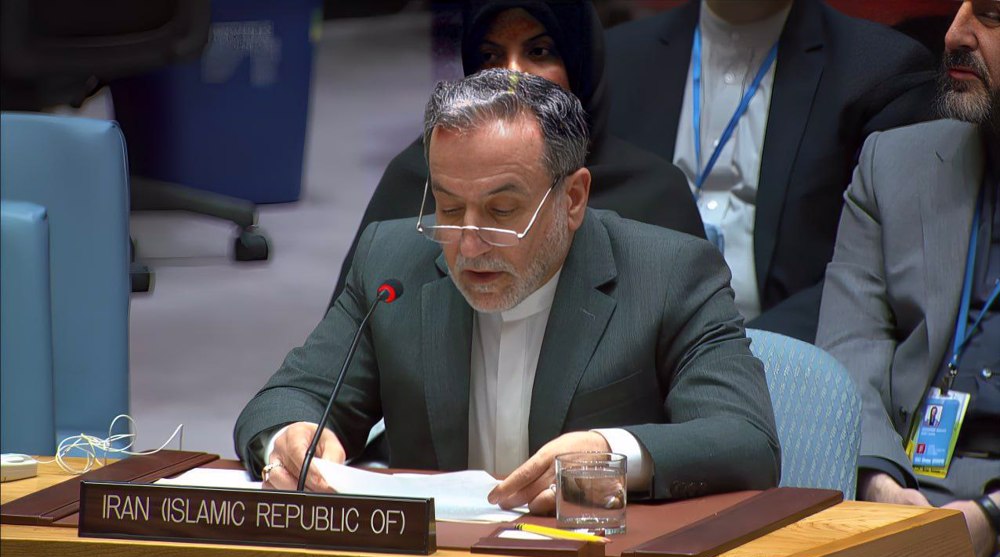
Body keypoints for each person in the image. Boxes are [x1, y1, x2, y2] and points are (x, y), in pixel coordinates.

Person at [235, 69, 780, 513]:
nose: (468, 245)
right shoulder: (392, 260)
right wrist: (293, 436)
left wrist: (610, 452)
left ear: (572, 198)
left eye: (501, 212)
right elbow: (284, 401)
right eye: (449, 209)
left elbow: (744, 437)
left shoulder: (670, 273)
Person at [604, 0, 939, 342]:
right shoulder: (615, 57)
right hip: (631, 351)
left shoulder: (879, 70)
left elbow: (875, 275)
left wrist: (731, 353)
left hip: (782, 354)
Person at [328, 0, 704, 304]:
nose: (512, 77)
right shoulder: (419, 179)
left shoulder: (654, 198)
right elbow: (337, 362)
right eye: (490, 56)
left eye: (537, 51)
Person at [816, 1, 999, 557]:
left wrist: (992, 516)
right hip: (898, 489)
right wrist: (879, 483)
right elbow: (850, 347)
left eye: (990, 15)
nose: (954, 34)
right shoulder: (893, 164)